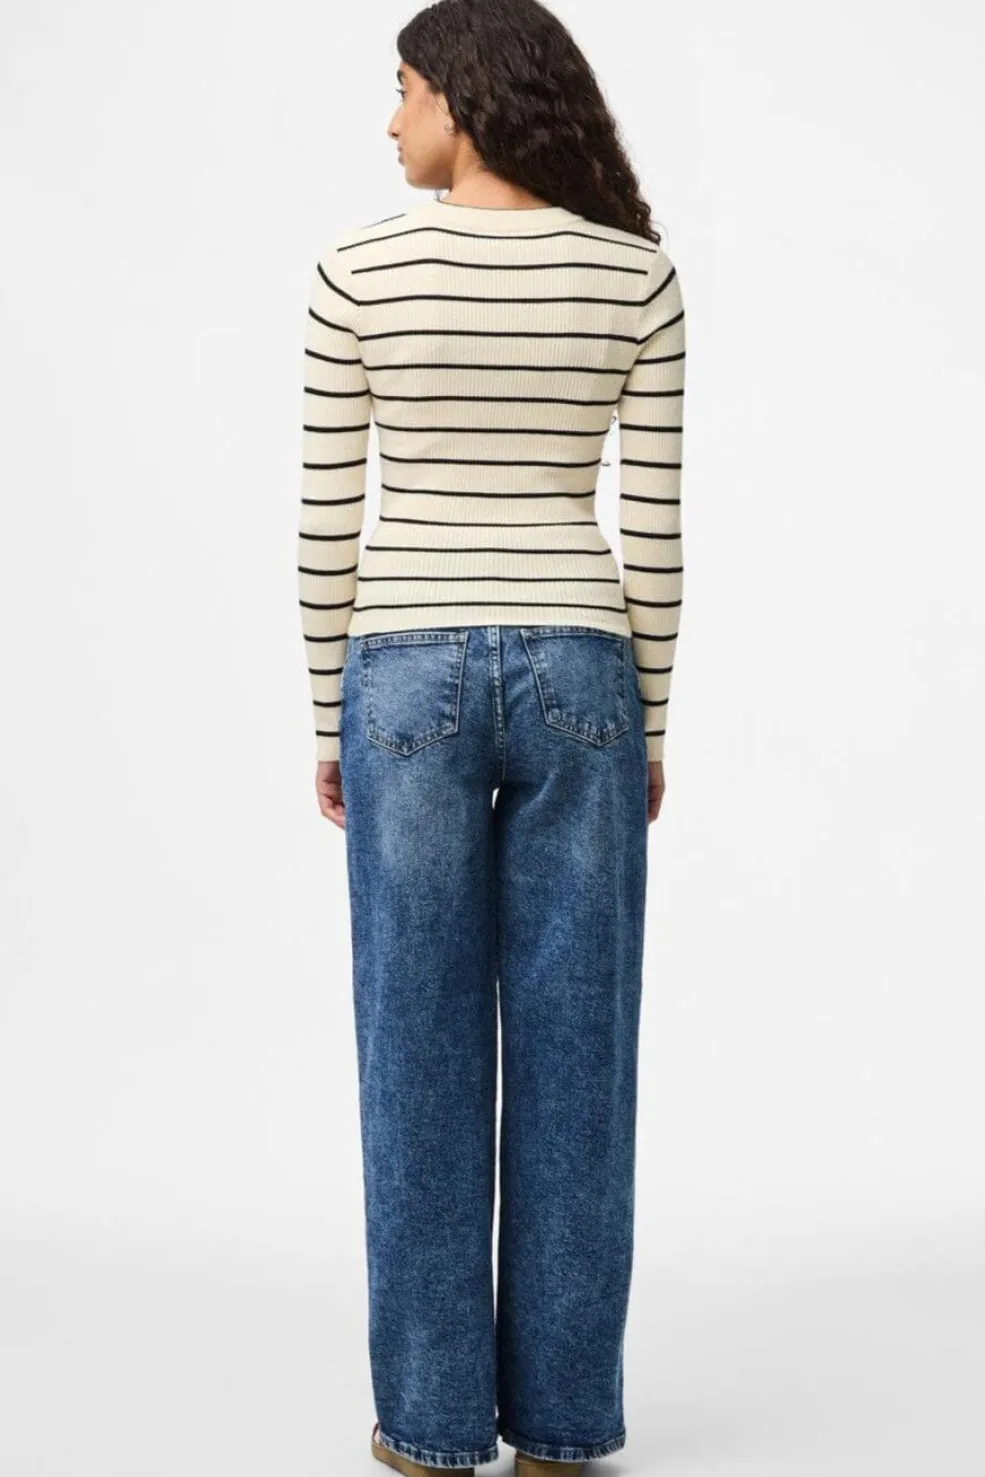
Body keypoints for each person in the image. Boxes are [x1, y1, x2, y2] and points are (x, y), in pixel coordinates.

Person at [297, 2, 686, 1472]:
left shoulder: (358, 272)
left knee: (417, 1052)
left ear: (462, 97)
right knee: (583, 1056)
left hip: (401, 676)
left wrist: (325, 715)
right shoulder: (637, 275)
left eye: (403, 88)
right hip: (586, 669)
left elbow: (329, 522)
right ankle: (565, 1430)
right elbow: (654, 535)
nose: (390, 117)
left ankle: (431, 1426)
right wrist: (650, 722)